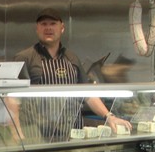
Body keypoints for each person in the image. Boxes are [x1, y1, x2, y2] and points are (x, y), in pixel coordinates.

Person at [10, 7, 132, 141]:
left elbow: (87, 93)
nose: (48, 28)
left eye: (53, 24)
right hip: (38, 135)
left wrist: (109, 116)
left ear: (62, 28)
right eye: (43, 24)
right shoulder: (25, 58)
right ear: (37, 28)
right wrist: (16, 131)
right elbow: (12, 98)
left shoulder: (72, 58)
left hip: (71, 133)